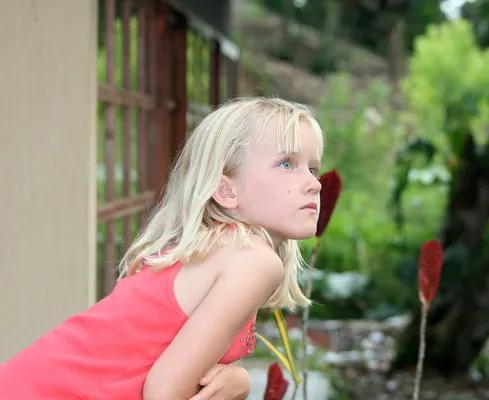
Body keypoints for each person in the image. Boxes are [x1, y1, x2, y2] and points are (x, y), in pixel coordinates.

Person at [0, 97, 324, 399]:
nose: (314, 183)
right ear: (226, 191)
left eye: (312, 168)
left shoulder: (218, 249)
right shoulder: (254, 261)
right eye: (286, 164)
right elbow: (164, 392)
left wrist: (236, 379)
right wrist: (239, 385)